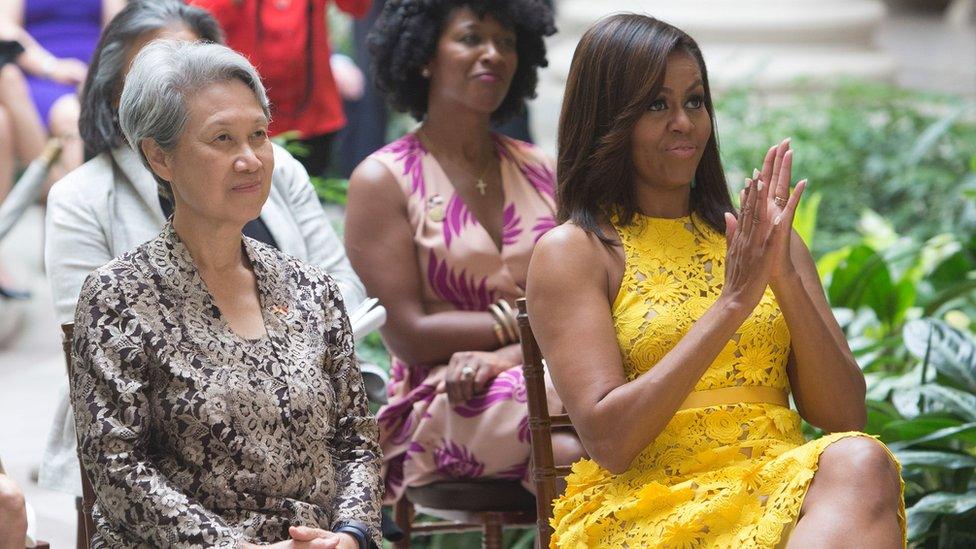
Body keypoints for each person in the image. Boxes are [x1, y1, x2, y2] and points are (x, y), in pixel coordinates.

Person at [526, 14, 906, 548]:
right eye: (657, 105)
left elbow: (843, 414)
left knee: (861, 459)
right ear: (609, 117)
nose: (684, 121)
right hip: (652, 502)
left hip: (780, 491)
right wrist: (732, 303)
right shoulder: (576, 252)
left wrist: (783, 276)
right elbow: (610, 441)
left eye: (695, 100)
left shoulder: (762, 240)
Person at [41, 0, 367, 503]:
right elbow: (115, 443)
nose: (248, 158)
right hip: (181, 498)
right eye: (220, 138)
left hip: (310, 498)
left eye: (258, 134)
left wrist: (348, 532)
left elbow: (356, 440)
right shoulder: (99, 240)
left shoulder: (306, 272)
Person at [345, 0, 579, 502]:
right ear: (425, 55)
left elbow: (588, 304)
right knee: (585, 441)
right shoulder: (383, 180)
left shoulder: (546, 171)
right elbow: (409, 335)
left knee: (587, 432)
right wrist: (527, 323)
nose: (493, 54)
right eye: (472, 38)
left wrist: (508, 353)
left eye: (507, 42)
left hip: (546, 372)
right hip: (447, 393)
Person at [189, 0, 372, 177]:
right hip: (244, 121)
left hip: (315, 116)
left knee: (309, 196)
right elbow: (195, 27)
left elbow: (357, 7)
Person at [0, 0, 126, 187]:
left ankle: (57, 193)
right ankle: (60, 193)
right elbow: (4, 26)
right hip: (36, 73)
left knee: (72, 115)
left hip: (90, 72)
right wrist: (51, 67)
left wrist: (98, 72)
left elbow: (119, 28)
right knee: (69, 114)